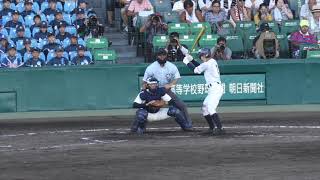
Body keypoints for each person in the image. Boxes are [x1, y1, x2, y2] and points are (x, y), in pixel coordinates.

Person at [143, 48, 193, 127]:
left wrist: (170, 84)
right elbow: (145, 82)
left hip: (167, 91)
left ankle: (188, 124)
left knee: (182, 106)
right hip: (154, 91)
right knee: (145, 108)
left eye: (164, 55)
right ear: (157, 56)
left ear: (166, 56)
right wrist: (146, 92)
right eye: (160, 55)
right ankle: (141, 126)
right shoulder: (151, 67)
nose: (162, 57)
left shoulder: (171, 66)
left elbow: (177, 77)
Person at [182, 48, 225, 135]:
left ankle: (220, 128)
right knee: (205, 108)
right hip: (213, 88)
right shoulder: (211, 61)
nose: (200, 57)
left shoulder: (208, 63)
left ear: (205, 55)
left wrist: (187, 62)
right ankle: (212, 128)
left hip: (215, 88)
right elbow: (201, 67)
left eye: (201, 55)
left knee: (210, 108)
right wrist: (192, 60)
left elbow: (196, 70)